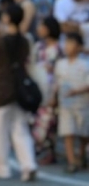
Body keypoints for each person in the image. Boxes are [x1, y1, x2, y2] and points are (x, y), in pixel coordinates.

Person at [0, 4, 37, 181]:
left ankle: (1, 167)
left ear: (7, 18)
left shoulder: (0, 42)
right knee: (20, 129)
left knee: (0, 131)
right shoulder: (25, 41)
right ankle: (28, 165)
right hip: (20, 88)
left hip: (1, 88)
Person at [53, 32, 89, 173]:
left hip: (83, 104)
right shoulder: (60, 64)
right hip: (65, 104)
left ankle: (81, 155)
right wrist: (53, 97)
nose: (67, 47)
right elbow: (57, 83)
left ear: (79, 47)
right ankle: (71, 161)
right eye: (66, 43)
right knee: (68, 131)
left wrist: (76, 92)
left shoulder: (86, 64)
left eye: (71, 43)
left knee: (84, 133)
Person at [31, 16, 62, 165]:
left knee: (48, 123)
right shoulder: (38, 47)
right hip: (38, 89)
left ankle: (49, 152)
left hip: (52, 90)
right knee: (39, 120)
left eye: (41, 26)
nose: (39, 29)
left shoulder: (59, 49)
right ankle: (44, 151)